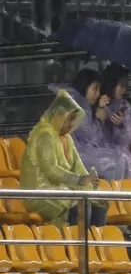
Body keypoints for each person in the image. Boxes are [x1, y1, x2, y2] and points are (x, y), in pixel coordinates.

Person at [21, 89, 106, 227]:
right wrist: (79, 180)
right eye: (69, 119)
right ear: (59, 116)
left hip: (62, 188)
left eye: (73, 119)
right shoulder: (45, 136)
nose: (72, 124)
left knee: (98, 203)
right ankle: (74, 240)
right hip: (40, 192)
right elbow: (51, 171)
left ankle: (95, 241)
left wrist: (91, 187)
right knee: (80, 203)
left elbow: (78, 167)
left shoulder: (67, 138)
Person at [70, 66, 131, 181]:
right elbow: (90, 137)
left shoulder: (122, 106)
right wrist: (98, 116)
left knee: (126, 160)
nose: (124, 90)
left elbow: (125, 139)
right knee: (118, 162)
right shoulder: (81, 106)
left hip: (103, 150)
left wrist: (120, 125)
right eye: (121, 86)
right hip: (82, 153)